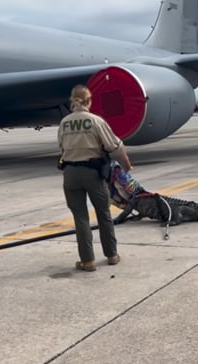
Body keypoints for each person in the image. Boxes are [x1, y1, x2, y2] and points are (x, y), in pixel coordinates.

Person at [58, 84, 133, 271]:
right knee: (103, 214)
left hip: (71, 174)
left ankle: (87, 260)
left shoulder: (64, 122)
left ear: (72, 101)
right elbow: (115, 147)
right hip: (93, 173)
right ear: (89, 101)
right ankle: (112, 255)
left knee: (80, 217)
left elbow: (62, 147)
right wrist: (126, 166)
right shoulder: (95, 121)